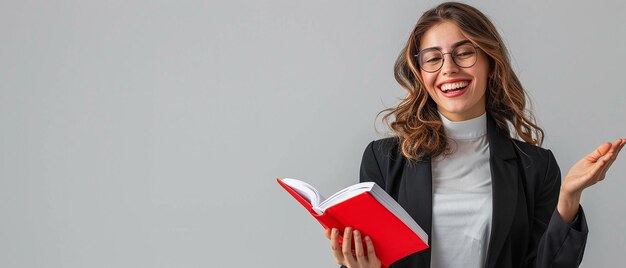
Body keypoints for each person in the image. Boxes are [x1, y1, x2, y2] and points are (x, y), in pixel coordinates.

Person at [323, 2, 625, 268]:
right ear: (420, 72)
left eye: (464, 52)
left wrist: (569, 198)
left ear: (490, 62)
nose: (449, 69)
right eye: (432, 58)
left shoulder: (536, 167)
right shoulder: (383, 159)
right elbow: (370, 257)